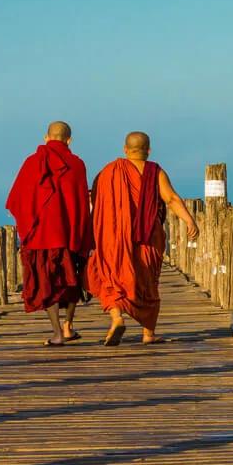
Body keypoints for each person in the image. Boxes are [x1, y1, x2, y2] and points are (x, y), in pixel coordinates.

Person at [87, 131, 199, 346]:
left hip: (113, 237)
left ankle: (117, 317)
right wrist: (189, 221)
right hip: (147, 236)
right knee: (147, 281)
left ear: (125, 150)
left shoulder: (108, 171)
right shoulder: (155, 171)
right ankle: (148, 333)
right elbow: (172, 199)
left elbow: (96, 203)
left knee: (113, 277)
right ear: (149, 150)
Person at [6, 121, 93, 346]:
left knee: (47, 284)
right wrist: (82, 232)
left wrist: (26, 222)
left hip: (41, 236)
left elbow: (18, 199)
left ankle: (56, 333)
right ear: (69, 139)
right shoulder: (77, 164)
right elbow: (82, 202)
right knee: (72, 279)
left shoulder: (32, 162)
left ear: (46, 137)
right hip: (68, 233)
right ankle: (68, 326)